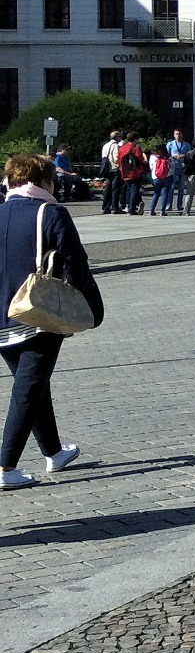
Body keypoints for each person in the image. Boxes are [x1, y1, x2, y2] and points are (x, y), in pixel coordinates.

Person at [0, 155, 103, 490]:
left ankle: (54, 453)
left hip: (1, 317)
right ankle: (5, 467)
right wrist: (90, 306)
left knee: (32, 384)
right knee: (27, 389)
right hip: (37, 313)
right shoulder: (51, 213)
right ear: (44, 182)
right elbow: (77, 263)